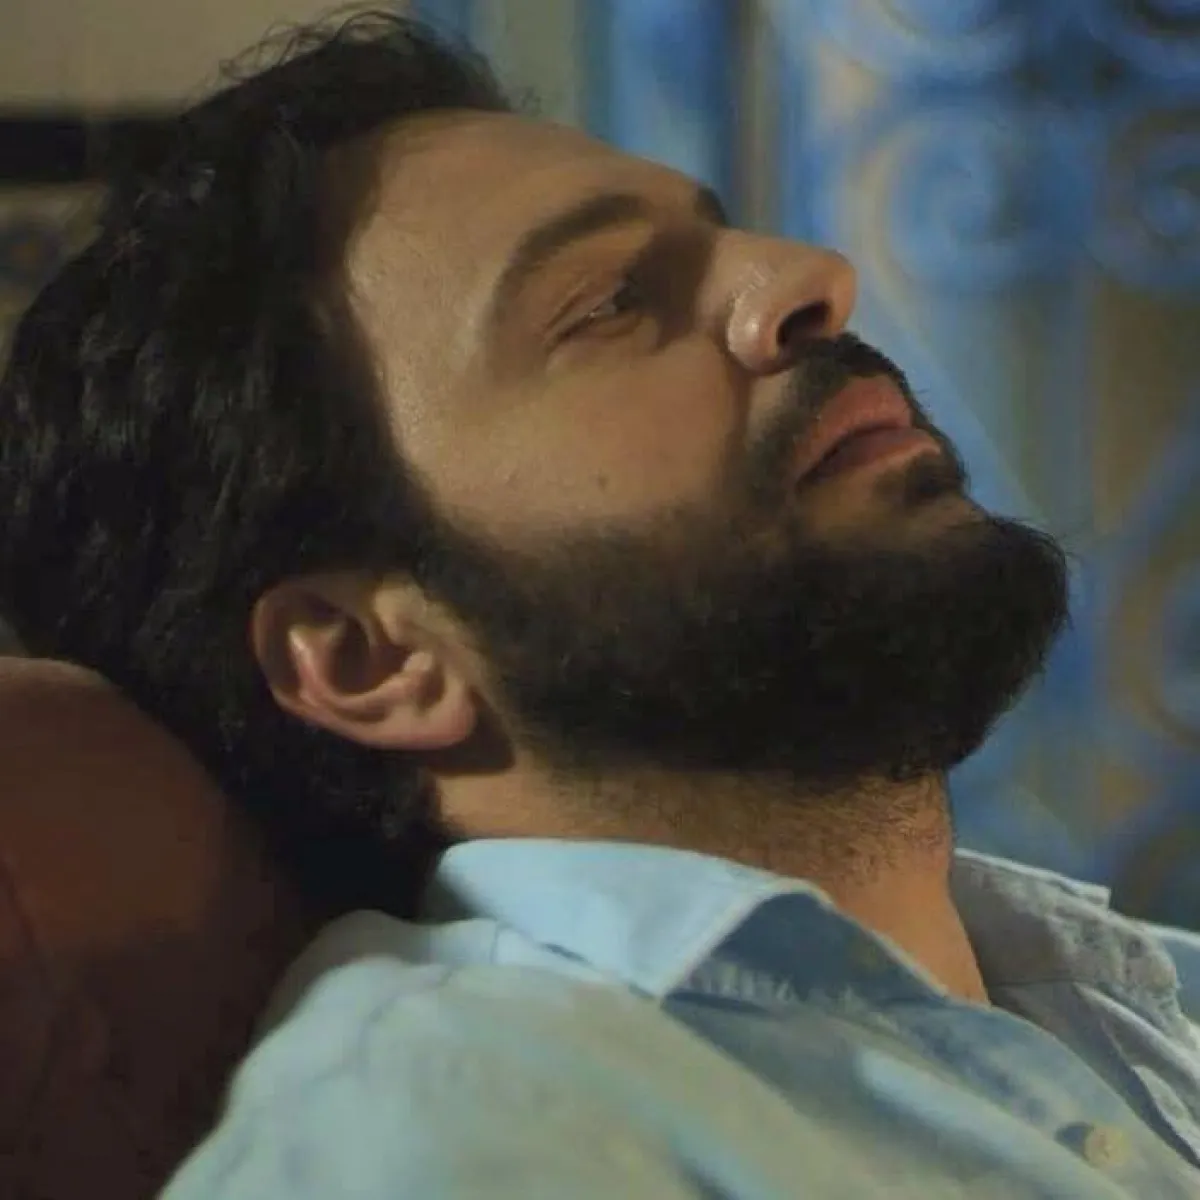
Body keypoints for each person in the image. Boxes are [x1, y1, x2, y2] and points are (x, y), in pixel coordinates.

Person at [2, 11, 1198, 1197]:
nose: (812, 279)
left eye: (717, 236)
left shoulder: (1122, 1005)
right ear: (372, 659)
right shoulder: (454, 1141)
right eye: (608, 302)